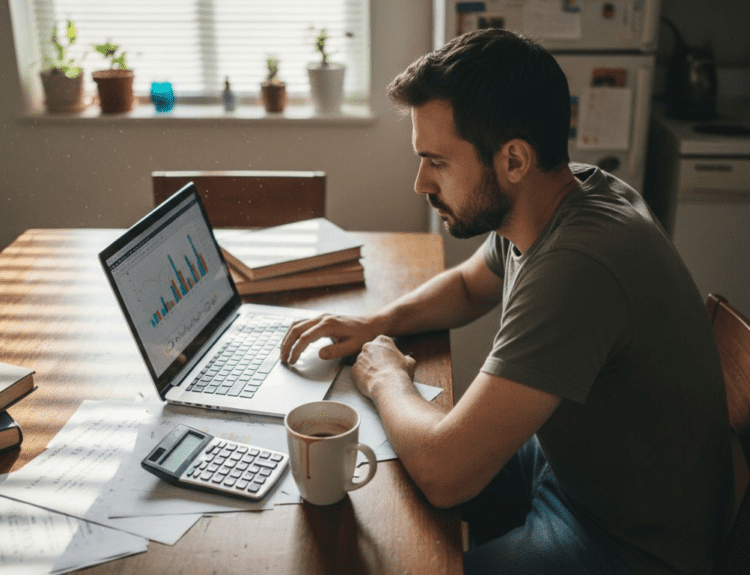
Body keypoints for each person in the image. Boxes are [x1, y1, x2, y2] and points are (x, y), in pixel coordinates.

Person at [280, 28, 735, 575]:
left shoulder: (580, 265)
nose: (420, 183)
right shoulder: (560, 197)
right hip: (567, 471)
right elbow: (472, 285)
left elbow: (449, 475)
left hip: (627, 545)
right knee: (385, 481)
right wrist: (376, 322)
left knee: (404, 525)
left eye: (437, 162)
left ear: (513, 160)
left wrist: (385, 378)